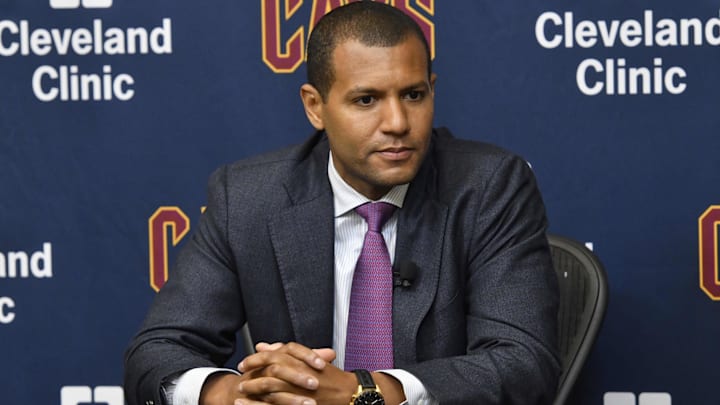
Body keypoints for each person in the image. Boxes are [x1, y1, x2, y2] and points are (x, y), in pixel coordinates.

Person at [124, 2, 560, 405]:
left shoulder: (489, 186)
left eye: (413, 95)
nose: (397, 123)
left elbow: (523, 362)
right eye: (366, 100)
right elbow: (157, 353)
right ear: (315, 107)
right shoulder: (245, 197)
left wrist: (362, 393)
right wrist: (237, 394)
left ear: (432, 89)